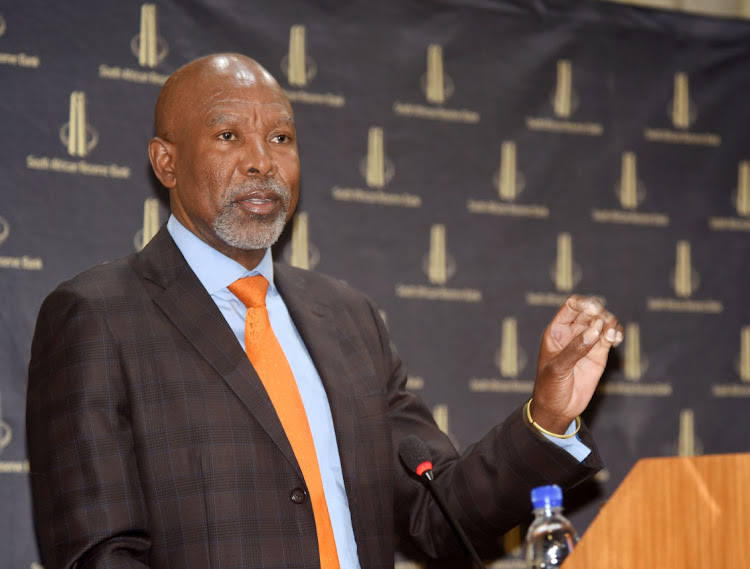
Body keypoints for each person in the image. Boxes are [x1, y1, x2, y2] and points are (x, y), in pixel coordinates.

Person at [26, 53, 623, 569]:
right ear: (166, 162)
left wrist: (548, 414)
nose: (262, 160)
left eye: (281, 138)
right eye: (228, 136)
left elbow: (439, 515)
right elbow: (98, 553)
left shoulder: (347, 318)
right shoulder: (97, 317)